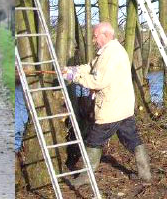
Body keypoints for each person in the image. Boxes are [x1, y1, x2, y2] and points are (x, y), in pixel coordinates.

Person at [62, 22, 152, 185]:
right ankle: (145, 176)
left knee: (93, 141)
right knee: (132, 140)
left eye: (96, 36)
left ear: (106, 35)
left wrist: (74, 78)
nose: (94, 40)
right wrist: (74, 70)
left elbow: (98, 81)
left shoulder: (111, 55)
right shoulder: (108, 52)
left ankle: (85, 177)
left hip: (111, 108)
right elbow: (91, 67)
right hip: (123, 107)